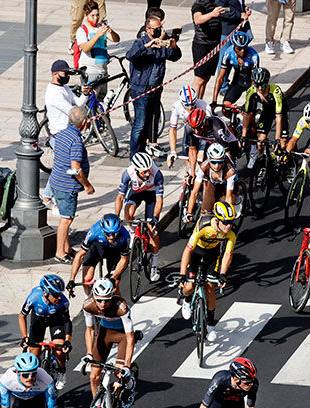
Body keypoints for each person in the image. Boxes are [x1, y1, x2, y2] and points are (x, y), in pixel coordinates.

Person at [126, 14, 182, 156]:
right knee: (140, 123)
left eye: (160, 28)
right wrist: (147, 46)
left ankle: (144, 150)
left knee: (150, 121)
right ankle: (134, 154)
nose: (159, 31)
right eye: (156, 29)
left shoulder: (161, 43)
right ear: (148, 29)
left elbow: (175, 56)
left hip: (155, 89)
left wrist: (174, 47)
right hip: (141, 89)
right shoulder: (140, 42)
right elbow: (130, 55)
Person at [179, 202, 239, 335]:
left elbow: (228, 254)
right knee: (189, 287)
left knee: (210, 288)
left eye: (231, 222)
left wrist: (223, 274)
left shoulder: (231, 232)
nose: (229, 225)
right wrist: (182, 274)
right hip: (196, 252)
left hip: (212, 255)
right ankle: (187, 299)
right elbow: (187, 251)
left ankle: (211, 324)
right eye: (226, 222)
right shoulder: (203, 225)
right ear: (217, 220)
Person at [50, 107, 95, 263]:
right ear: (83, 122)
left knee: (66, 216)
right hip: (66, 186)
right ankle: (60, 253)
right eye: (88, 119)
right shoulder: (76, 141)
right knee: (66, 219)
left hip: (56, 182)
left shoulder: (62, 134)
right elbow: (75, 169)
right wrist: (88, 185)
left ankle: (67, 248)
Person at [82, 279, 137, 399]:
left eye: (106, 300)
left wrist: (127, 365)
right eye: (99, 300)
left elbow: (130, 336)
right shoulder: (88, 305)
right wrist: (89, 353)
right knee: (93, 376)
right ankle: (96, 404)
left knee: (119, 372)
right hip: (105, 333)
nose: (102, 304)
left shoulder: (121, 307)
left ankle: (130, 383)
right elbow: (90, 329)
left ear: (111, 297)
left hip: (122, 335)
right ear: (94, 296)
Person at [114, 152, 164, 282]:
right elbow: (120, 197)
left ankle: (155, 263)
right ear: (136, 170)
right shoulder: (128, 173)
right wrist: (116, 216)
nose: (147, 174)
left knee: (152, 230)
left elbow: (159, 200)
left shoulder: (157, 174)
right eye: (144, 172)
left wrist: (155, 217)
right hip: (136, 192)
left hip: (151, 195)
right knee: (128, 212)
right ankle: (132, 232)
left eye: (149, 170)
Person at [19, 275, 73, 389]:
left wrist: (67, 340)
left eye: (60, 294)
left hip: (56, 320)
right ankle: (36, 378)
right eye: (56, 295)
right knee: (34, 355)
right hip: (38, 320)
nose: (59, 297)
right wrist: (24, 337)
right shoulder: (33, 297)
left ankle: (61, 371)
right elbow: (22, 316)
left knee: (59, 351)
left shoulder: (63, 302)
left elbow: (67, 321)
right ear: (45, 293)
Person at [68, 213, 130, 296]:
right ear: (103, 230)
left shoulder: (125, 235)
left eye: (115, 234)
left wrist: (113, 278)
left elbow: (124, 259)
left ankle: (121, 306)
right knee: (87, 280)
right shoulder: (94, 232)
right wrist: (72, 279)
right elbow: (80, 255)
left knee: (114, 287)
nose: (111, 237)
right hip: (97, 248)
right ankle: (90, 299)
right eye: (108, 234)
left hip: (115, 251)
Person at [241, 67, 287, 167]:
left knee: (282, 145)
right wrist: (243, 136)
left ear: (267, 82)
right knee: (260, 142)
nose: (260, 88)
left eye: (263, 85)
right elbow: (247, 114)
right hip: (268, 111)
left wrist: (277, 139)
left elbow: (278, 117)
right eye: (257, 85)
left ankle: (288, 166)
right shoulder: (251, 91)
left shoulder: (276, 91)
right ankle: (261, 165)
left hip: (280, 112)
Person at [74, 2, 120, 101]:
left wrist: (111, 31)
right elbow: (85, 48)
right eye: (92, 16)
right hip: (90, 72)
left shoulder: (100, 27)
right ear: (86, 15)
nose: (96, 18)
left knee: (101, 101)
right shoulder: (82, 30)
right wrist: (97, 35)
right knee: (90, 102)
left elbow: (116, 39)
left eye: (97, 15)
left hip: (103, 70)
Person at [187, 143, 239, 225]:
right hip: (214, 184)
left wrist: (228, 217)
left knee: (224, 214)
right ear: (209, 159)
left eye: (220, 162)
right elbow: (195, 192)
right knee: (203, 215)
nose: (216, 166)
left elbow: (228, 197)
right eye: (213, 162)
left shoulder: (230, 171)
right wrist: (189, 212)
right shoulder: (204, 166)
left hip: (228, 186)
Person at [213, 31, 259, 112]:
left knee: (248, 113)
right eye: (239, 48)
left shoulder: (253, 55)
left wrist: (248, 101)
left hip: (251, 83)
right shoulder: (228, 53)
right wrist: (214, 101)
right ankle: (235, 122)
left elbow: (254, 81)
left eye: (245, 47)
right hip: (237, 83)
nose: (242, 51)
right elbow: (220, 79)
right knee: (225, 109)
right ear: (234, 46)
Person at [167, 86, 212, 168]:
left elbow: (209, 130)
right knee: (187, 155)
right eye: (187, 105)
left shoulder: (205, 106)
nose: (191, 107)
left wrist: (202, 149)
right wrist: (173, 151)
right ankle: (188, 174)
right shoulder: (176, 106)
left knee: (202, 157)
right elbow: (173, 130)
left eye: (193, 104)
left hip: (203, 130)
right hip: (189, 128)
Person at [44, 59, 91, 134]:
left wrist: (85, 93)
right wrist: (75, 107)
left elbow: (78, 103)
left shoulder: (64, 87)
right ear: (55, 74)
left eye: (68, 73)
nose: (67, 76)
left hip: (69, 131)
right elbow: (73, 112)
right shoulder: (53, 92)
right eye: (65, 73)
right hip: (60, 133)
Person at [190, 0, 225, 99]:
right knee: (199, 79)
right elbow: (197, 19)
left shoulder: (215, 3)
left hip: (214, 45)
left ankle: (199, 104)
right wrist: (212, 14)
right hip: (202, 46)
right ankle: (191, 106)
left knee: (206, 78)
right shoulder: (198, 4)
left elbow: (227, 10)